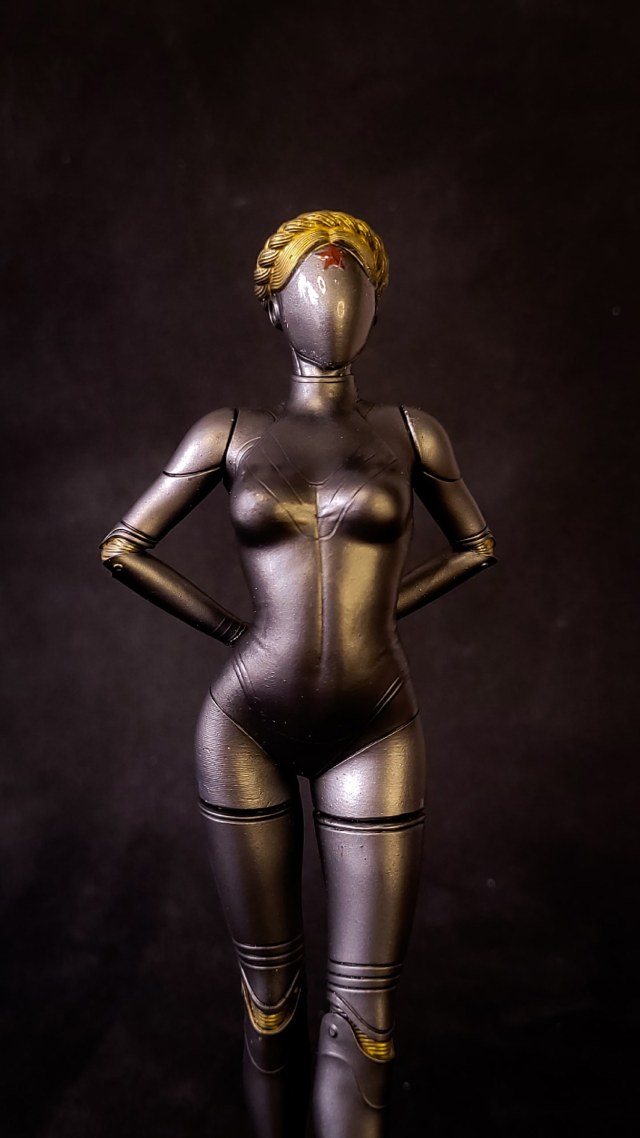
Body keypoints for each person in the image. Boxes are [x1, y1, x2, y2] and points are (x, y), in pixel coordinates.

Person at [101, 209, 496, 1138]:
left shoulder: (413, 432)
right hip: (247, 727)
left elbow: (477, 545)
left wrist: (374, 613)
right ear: (273, 308)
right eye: (309, 281)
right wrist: (235, 628)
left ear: (376, 308)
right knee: (270, 1003)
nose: (332, 293)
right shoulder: (229, 433)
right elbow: (123, 547)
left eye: (353, 281)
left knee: (367, 1019)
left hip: (376, 725)